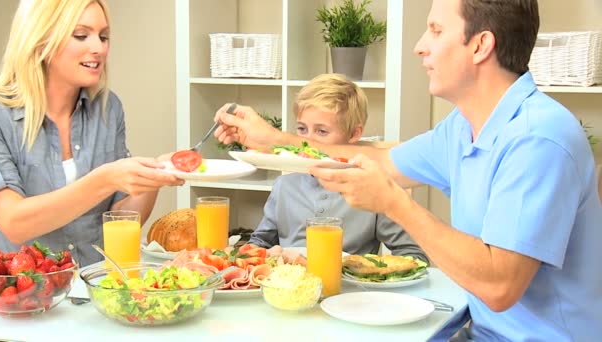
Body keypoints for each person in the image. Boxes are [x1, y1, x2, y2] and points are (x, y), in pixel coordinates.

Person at [212, 0, 602, 340]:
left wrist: (396, 205)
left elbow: (499, 285)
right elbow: (375, 161)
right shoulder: (463, 127)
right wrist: (270, 139)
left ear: (481, 45)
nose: (420, 46)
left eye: (435, 30)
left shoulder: (537, 138)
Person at [0, 0, 183, 266]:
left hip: (96, 288)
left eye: (103, 36)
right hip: (29, 298)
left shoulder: (108, 108)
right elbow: (13, 222)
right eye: (81, 35)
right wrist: (106, 179)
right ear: (41, 40)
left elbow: (120, 217)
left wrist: (156, 176)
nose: (99, 48)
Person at [248, 74, 427, 261]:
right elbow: (260, 242)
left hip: (351, 289)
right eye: (301, 129)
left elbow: (413, 256)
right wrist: (253, 253)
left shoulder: (371, 190)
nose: (306, 141)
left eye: (321, 131)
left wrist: (362, 269)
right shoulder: (283, 186)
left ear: (354, 133)